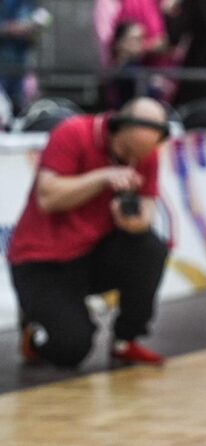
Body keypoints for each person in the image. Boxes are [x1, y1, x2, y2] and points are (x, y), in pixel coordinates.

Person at [8, 97, 169, 368]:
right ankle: (33, 332)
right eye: (128, 150)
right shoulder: (73, 133)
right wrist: (103, 177)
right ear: (117, 127)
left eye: (141, 154)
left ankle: (125, 340)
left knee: (150, 248)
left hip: (91, 253)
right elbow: (48, 198)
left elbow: (147, 211)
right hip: (41, 261)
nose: (133, 160)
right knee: (71, 350)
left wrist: (133, 222)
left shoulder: (145, 153)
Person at [0, 0, 38, 111]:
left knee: (18, 103)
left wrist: (32, 30)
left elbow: (34, 30)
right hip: (3, 62)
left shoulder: (26, 3)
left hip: (20, 62)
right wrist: (10, 28)